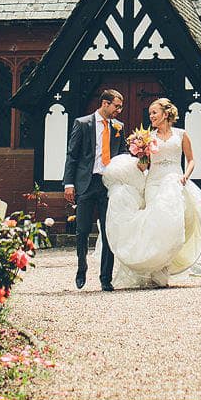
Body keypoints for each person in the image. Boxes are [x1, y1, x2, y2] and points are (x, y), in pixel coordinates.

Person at [100, 97, 201, 285]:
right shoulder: (148, 138)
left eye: (154, 112)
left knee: (173, 227)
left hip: (175, 183)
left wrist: (185, 177)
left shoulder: (181, 135)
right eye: (150, 114)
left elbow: (191, 160)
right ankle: (153, 271)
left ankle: (164, 268)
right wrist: (139, 155)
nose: (151, 116)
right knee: (155, 227)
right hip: (154, 184)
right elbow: (144, 166)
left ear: (165, 113)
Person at [63, 88, 125, 290]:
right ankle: (82, 269)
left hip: (108, 184)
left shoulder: (118, 127)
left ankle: (105, 278)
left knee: (110, 231)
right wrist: (69, 184)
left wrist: (138, 155)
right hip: (86, 184)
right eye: (117, 106)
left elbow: (122, 153)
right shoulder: (82, 123)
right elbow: (72, 155)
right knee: (82, 231)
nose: (119, 110)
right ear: (105, 103)